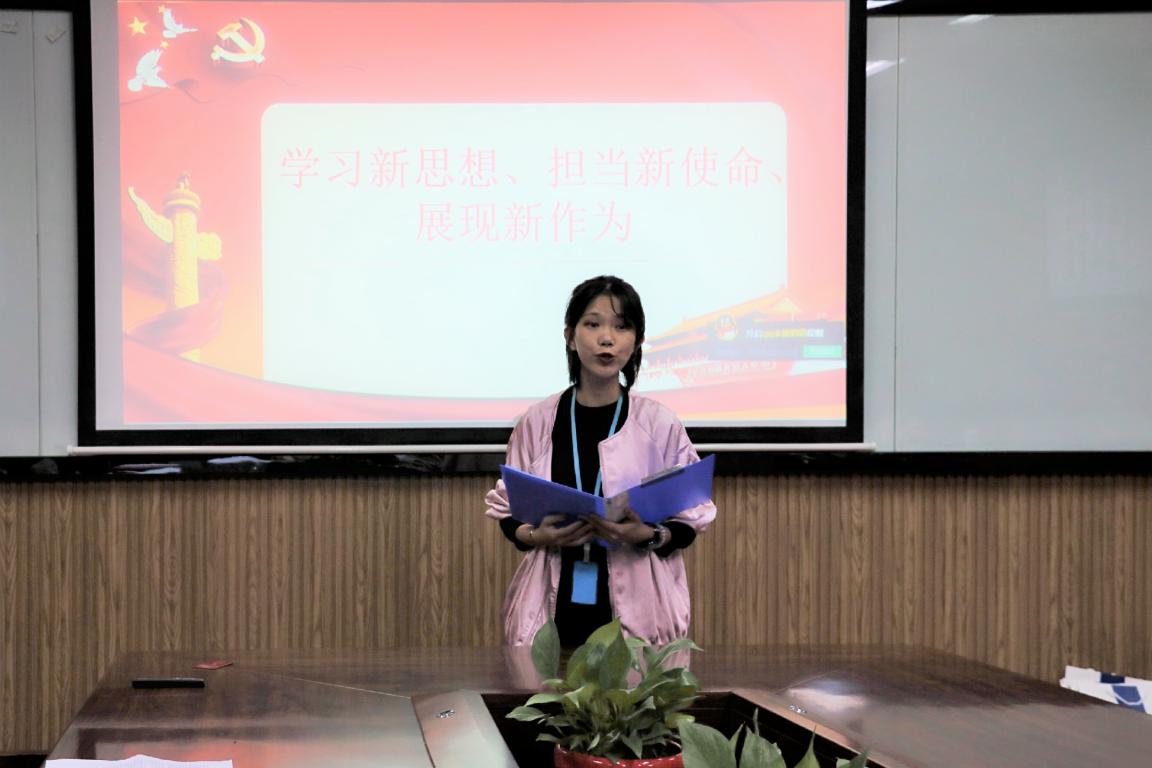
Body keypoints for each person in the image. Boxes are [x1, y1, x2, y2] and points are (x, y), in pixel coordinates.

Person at [485, 275, 716, 647]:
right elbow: (509, 509)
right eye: (592, 324)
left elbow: (692, 514)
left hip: (640, 609)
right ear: (569, 336)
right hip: (550, 610)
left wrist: (650, 535)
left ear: (637, 340)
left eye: (621, 327)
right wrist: (536, 536)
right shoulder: (537, 421)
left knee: (636, 683)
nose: (606, 338)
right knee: (547, 681)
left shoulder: (659, 423)